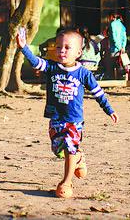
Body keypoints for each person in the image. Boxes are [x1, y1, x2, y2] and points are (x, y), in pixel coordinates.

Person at [16, 27, 118, 199]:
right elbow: (35, 62)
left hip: (74, 120)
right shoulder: (51, 67)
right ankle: (78, 158)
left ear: (78, 52)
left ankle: (66, 182)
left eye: (67, 47)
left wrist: (109, 110)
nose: (61, 50)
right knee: (58, 150)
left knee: (70, 147)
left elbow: (98, 93)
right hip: (56, 118)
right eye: (58, 47)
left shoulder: (83, 74)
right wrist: (24, 47)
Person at [105, 13, 127, 79]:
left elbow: (114, 37)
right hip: (122, 49)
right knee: (121, 64)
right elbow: (124, 38)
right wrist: (123, 47)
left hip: (114, 48)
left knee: (111, 65)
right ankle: (121, 78)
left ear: (112, 17)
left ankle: (112, 79)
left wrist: (118, 47)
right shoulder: (122, 25)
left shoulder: (112, 24)